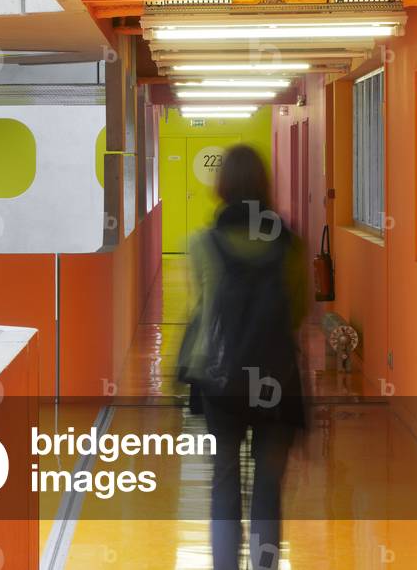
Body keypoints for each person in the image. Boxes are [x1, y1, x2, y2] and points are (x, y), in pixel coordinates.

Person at [177, 145, 307, 570]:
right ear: (264, 186)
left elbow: (201, 310)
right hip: (275, 380)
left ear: (223, 186)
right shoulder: (290, 242)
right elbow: (300, 309)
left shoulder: (201, 244)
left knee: (225, 485)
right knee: (268, 490)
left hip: (221, 382)